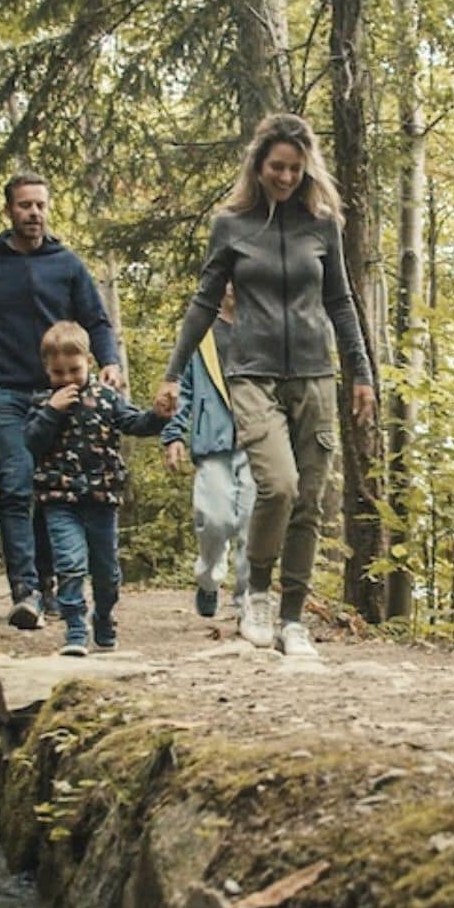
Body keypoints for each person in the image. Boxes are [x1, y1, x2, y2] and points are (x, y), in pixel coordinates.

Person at [153, 113, 375, 658]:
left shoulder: (322, 224)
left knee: (310, 502)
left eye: (296, 169)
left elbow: (340, 301)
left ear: (308, 168)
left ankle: (293, 619)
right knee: (278, 485)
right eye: (278, 167)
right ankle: (256, 593)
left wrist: (362, 373)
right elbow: (205, 301)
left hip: (314, 374)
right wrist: (173, 373)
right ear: (258, 165)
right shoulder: (232, 224)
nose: (286, 177)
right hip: (252, 374)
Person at [0, 173, 122, 630]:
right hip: (5, 390)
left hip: (58, 393)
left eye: (40, 205)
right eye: (25, 205)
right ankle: (24, 591)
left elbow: (96, 320)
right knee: (15, 487)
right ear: (8, 210)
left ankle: (48, 585)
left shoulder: (66, 264)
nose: (34, 213)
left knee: (50, 489)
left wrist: (110, 362)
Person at [24, 322, 167, 654]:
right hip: (59, 500)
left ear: (89, 362)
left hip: (102, 498)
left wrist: (159, 416)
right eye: (58, 373)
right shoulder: (42, 402)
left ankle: (103, 615)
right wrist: (52, 411)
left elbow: (135, 423)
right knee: (69, 564)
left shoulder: (106, 398)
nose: (67, 379)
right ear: (46, 369)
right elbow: (32, 442)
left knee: (106, 571)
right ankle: (75, 627)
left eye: (74, 370)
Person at [161, 284, 256, 620]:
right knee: (215, 521)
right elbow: (182, 389)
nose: (233, 284)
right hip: (212, 442)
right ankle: (209, 579)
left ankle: (247, 601)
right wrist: (174, 435)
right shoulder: (200, 332)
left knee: (252, 523)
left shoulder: (265, 328)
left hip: (257, 439)